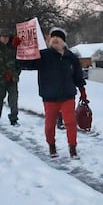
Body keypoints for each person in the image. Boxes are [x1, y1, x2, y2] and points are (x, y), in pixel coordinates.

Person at [19, 27, 88, 159]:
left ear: (64, 42)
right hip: (49, 96)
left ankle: (72, 148)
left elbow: (78, 76)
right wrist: (20, 48)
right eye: (53, 37)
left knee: (70, 122)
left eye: (58, 37)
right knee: (50, 124)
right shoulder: (43, 55)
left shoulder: (70, 57)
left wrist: (83, 91)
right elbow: (26, 64)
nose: (55, 39)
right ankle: (52, 146)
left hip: (67, 95)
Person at [0, 28, 21, 127]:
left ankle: (14, 119)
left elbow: (19, 61)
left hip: (12, 79)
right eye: (3, 37)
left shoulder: (14, 47)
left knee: (13, 101)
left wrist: (16, 73)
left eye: (7, 37)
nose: (5, 39)